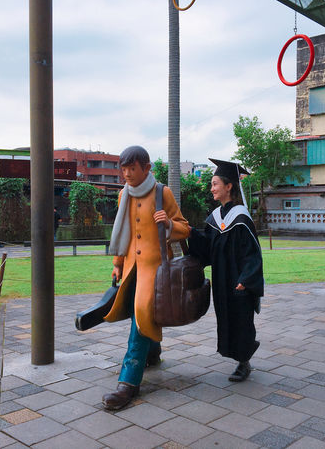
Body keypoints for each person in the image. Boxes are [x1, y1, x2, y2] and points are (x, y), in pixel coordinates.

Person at [101, 145, 189, 410]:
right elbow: (123, 233)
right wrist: (118, 264)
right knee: (135, 310)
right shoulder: (123, 195)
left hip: (156, 269)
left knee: (140, 316)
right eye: (123, 169)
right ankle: (153, 352)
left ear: (146, 168)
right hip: (131, 267)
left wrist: (169, 224)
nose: (127, 174)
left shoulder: (163, 193)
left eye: (132, 168)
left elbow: (185, 228)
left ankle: (128, 382)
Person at [188, 159, 263, 382]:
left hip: (238, 280)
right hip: (221, 280)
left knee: (242, 319)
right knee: (226, 317)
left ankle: (244, 362)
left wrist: (246, 279)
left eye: (215, 184)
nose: (211, 188)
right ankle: (241, 353)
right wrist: (190, 232)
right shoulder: (215, 218)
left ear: (228, 186)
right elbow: (207, 248)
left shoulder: (241, 218)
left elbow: (252, 254)